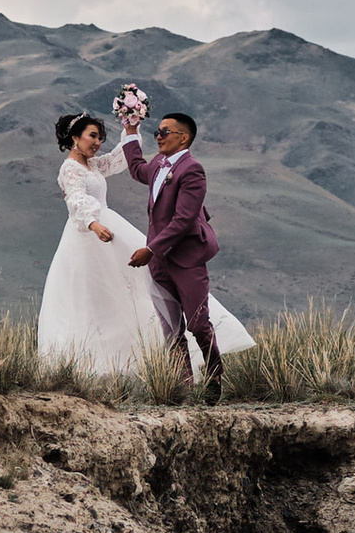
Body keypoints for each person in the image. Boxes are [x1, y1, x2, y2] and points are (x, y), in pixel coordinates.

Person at [35, 111, 251, 382]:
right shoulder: (71, 168)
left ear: (183, 138)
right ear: (74, 137)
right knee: (105, 303)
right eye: (92, 136)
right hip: (92, 235)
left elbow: (122, 162)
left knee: (173, 312)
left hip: (143, 241)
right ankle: (175, 379)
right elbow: (77, 198)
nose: (98, 142)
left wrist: (130, 130)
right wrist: (92, 223)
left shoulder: (96, 165)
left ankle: (210, 373)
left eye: (100, 137)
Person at [121, 109, 237, 403]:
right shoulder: (159, 163)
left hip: (186, 257)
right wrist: (132, 131)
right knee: (171, 328)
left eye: (164, 132)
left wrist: (150, 249)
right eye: (157, 132)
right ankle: (183, 387)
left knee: (198, 324)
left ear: (183, 138)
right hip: (160, 260)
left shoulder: (192, 170)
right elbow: (137, 169)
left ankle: (213, 379)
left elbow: (184, 220)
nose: (158, 137)